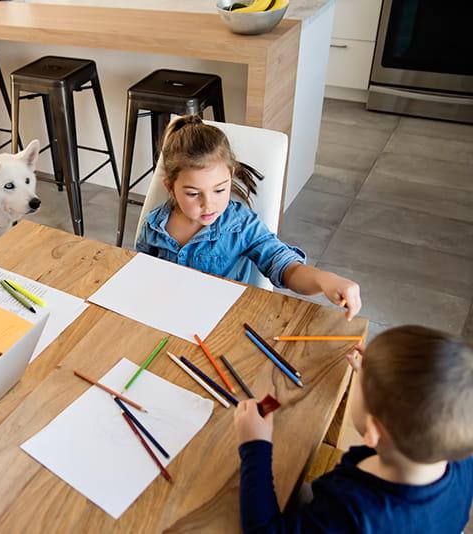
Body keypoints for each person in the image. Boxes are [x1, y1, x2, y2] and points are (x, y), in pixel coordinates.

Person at [233, 325, 473, 532]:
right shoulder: (458, 455)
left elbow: (264, 530)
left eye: (361, 384)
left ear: (373, 430)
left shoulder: (349, 512)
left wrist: (255, 446)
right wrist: (377, 377)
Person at [135, 115, 361, 320]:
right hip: (166, 317)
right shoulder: (154, 225)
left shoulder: (242, 226)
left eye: (220, 190)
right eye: (193, 194)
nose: (208, 204)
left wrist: (325, 280)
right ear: (170, 187)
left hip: (223, 324)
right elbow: (141, 274)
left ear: (230, 176)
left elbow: (285, 266)